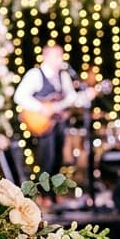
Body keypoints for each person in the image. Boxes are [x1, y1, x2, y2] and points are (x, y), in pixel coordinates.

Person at [13, 42, 78, 178]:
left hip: (58, 124)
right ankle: (43, 190)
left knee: (57, 160)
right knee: (46, 161)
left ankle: (54, 189)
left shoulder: (63, 75)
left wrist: (83, 96)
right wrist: (42, 108)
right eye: (57, 56)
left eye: (61, 56)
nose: (60, 59)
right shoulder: (35, 74)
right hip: (42, 124)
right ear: (45, 57)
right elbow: (19, 96)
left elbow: (71, 97)